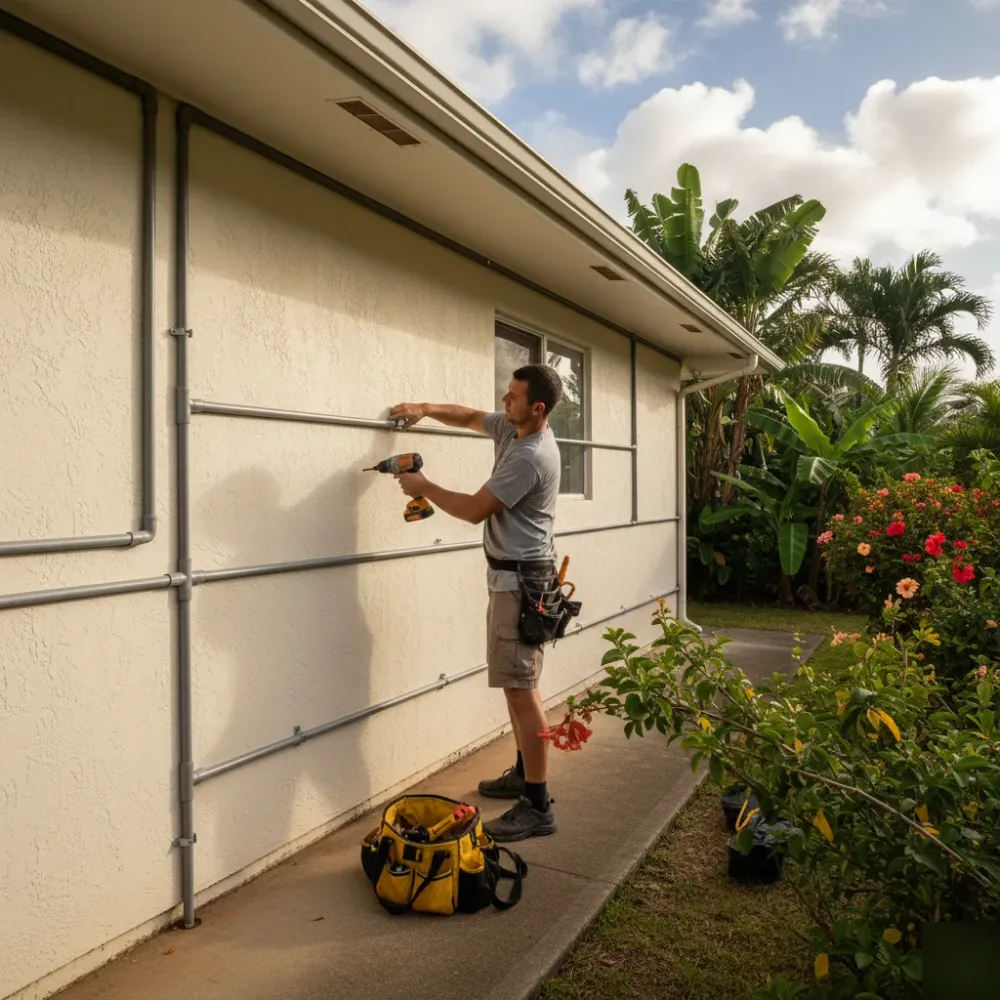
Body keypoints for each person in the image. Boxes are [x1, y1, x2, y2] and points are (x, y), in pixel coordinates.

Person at [388, 364, 563, 842]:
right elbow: (468, 417)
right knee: (518, 685)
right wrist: (424, 409)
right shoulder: (513, 427)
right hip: (514, 578)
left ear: (538, 408)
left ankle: (538, 804)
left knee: (521, 690)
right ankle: (525, 773)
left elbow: (471, 511)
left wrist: (423, 487)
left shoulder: (528, 456)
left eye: (513, 396)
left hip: (521, 584)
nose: (504, 402)